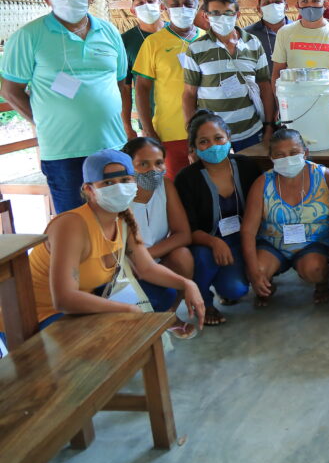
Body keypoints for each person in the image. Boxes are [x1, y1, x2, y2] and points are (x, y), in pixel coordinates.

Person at [0, 149, 204, 347]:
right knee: (103, 340)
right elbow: (64, 299)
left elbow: (146, 268)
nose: (119, 188)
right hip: (36, 316)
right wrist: (126, 310)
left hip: (84, 300)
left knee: (164, 294)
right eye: (108, 183)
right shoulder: (71, 225)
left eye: (125, 180)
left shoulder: (124, 217)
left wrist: (187, 284)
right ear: (89, 189)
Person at [1, 0, 133, 213]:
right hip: (64, 152)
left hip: (113, 145)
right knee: (76, 222)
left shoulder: (109, 32)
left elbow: (120, 84)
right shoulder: (28, 36)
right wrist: (44, 121)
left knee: (120, 219)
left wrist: (127, 129)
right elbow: (10, 91)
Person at [175, 110, 262, 325]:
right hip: (205, 243)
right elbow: (187, 229)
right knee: (201, 258)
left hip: (244, 239)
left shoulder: (246, 166)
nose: (213, 146)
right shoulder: (187, 179)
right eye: (203, 142)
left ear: (228, 138)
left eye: (218, 138)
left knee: (235, 289)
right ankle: (205, 302)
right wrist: (214, 242)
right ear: (194, 147)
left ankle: (228, 283)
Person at [241, 128, 329, 308]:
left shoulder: (326, 177)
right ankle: (266, 284)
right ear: (271, 157)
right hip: (272, 243)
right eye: (280, 155)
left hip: (312, 241)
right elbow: (248, 230)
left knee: (315, 269)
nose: (288, 159)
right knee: (257, 269)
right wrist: (253, 271)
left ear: (305, 152)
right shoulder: (262, 183)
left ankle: (322, 282)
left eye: (293, 153)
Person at [182, 0, 274, 154]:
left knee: (251, 170)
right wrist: (192, 136)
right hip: (212, 137)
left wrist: (268, 126)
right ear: (206, 16)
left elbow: (265, 87)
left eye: (228, 13)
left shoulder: (253, 43)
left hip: (251, 132)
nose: (222, 17)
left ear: (237, 15)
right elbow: (189, 94)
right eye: (215, 13)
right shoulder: (196, 48)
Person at [123, 137, 197, 338]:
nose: (153, 170)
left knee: (183, 256)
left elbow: (183, 234)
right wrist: (140, 262)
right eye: (143, 164)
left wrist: (146, 257)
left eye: (158, 163)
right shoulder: (120, 197)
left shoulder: (165, 185)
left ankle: (170, 315)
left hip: (151, 260)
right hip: (126, 269)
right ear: (128, 166)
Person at [133, 0, 204, 177]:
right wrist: (148, 130)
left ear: (196, 7)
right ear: (165, 8)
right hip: (169, 133)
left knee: (207, 186)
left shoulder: (207, 39)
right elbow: (141, 88)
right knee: (174, 186)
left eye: (188, 4)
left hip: (206, 132)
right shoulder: (153, 43)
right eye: (175, 4)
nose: (182, 8)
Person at [120, 0, 165, 140]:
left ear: (162, 6)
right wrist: (127, 127)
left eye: (151, 1)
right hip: (150, 122)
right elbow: (125, 88)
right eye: (140, 3)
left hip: (186, 118)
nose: (146, 5)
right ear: (133, 11)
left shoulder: (176, 33)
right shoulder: (125, 41)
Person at [244, 0, 291, 71]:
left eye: (277, 2)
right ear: (259, 9)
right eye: (267, 3)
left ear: (286, 6)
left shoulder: (299, 30)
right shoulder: (247, 34)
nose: (273, 5)